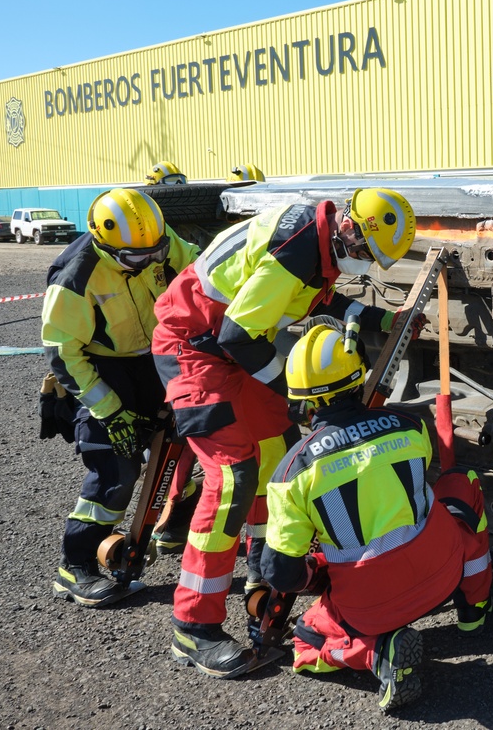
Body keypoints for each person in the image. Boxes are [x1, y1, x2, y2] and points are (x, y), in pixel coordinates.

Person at [152, 187, 419, 678]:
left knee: (278, 454)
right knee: (232, 479)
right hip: (193, 349)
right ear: (348, 226)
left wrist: (385, 319)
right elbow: (237, 334)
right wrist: (293, 395)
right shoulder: (297, 244)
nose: (362, 262)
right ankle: (194, 626)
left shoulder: (321, 243)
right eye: (363, 251)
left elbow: (320, 300)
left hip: (231, 347)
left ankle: (263, 574)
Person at [262, 324, 492, 710]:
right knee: (461, 485)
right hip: (443, 574)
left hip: (370, 608)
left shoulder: (291, 473)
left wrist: (316, 574)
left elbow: (281, 573)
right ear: (360, 378)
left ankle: (378, 651)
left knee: (306, 641)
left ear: (301, 400)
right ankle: (474, 612)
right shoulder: (411, 426)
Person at [43, 189, 201, 605]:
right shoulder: (75, 277)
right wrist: (110, 412)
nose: (151, 262)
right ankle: (75, 565)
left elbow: (200, 268)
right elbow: (64, 353)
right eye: (136, 259)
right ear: (105, 243)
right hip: (101, 365)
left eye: (157, 253)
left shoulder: (154, 240)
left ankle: (171, 524)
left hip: (156, 352)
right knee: (117, 467)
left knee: (187, 435)